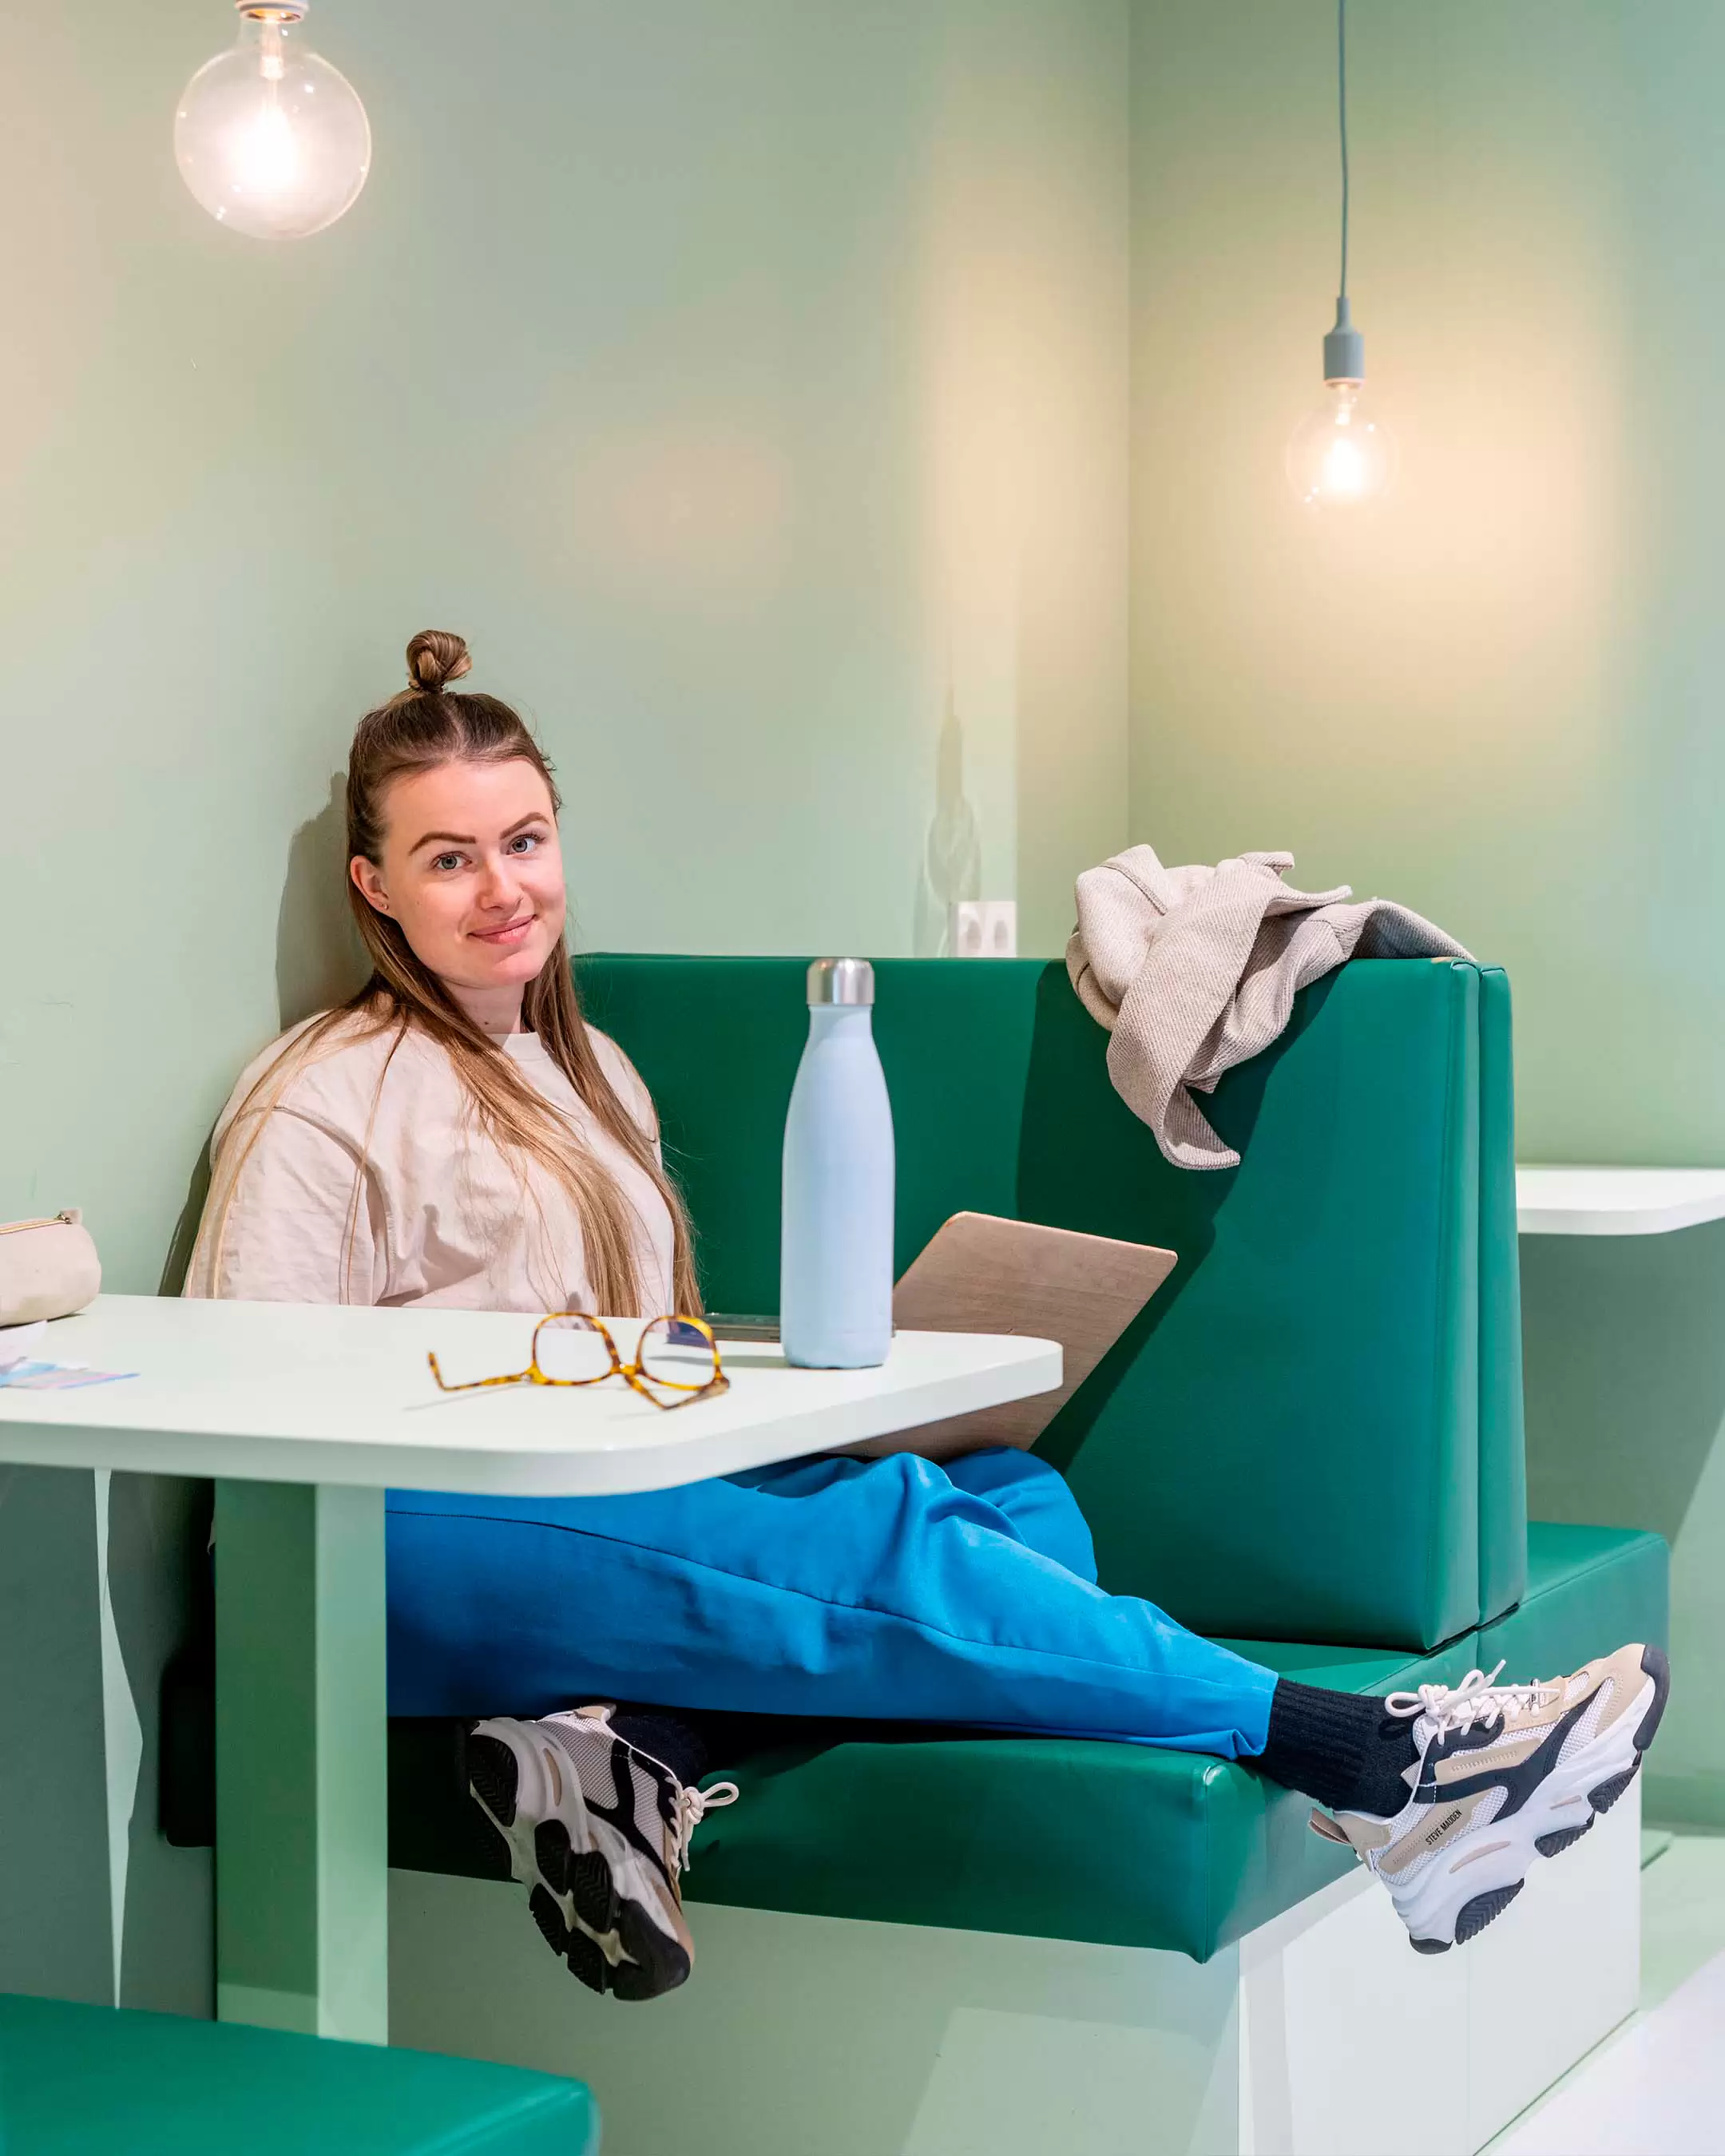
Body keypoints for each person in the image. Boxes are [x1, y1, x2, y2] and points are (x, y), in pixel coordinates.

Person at [186, 630, 1668, 2002]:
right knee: (884, 1538)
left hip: (588, 1502)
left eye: (525, 841)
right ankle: (1380, 1768)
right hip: (398, 1544)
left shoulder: (600, 1080)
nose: (504, 887)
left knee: (1012, 1493)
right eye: (450, 860)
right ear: (375, 888)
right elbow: (237, 1408)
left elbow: (634, 1346)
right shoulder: (324, 1094)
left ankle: (632, 1746)